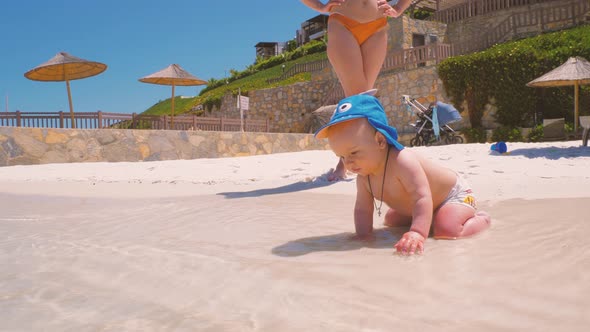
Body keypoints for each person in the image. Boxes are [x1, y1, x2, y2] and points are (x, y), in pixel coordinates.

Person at [315, 94, 491, 255]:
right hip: (425, 203)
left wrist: (417, 233)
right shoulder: (363, 178)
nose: (348, 163)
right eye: (342, 157)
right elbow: (362, 209)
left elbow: (421, 197)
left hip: (453, 196)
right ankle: (431, 219)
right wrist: (363, 236)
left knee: (446, 231)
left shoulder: (402, 161)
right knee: (391, 220)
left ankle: (482, 219)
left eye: (353, 153)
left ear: (380, 140)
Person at [301, 0, 412, 181]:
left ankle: (356, 160)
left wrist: (399, 8)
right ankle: (349, 161)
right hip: (343, 23)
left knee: (364, 99)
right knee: (357, 98)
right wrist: (320, 7)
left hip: (377, 26)